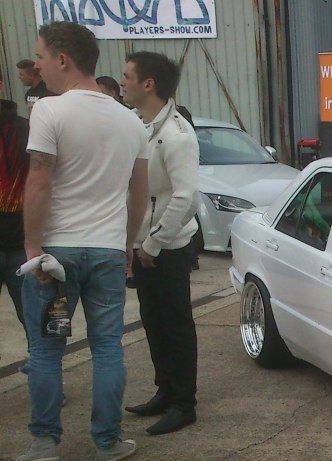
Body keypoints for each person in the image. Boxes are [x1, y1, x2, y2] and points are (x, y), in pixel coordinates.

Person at [16, 21, 149, 461]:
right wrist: (126, 245)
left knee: (47, 349)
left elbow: (39, 181)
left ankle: (44, 442)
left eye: (39, 57)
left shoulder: (50, 111)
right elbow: (138, 193)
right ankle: (108, 442)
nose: (36, 65)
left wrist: (33, 248)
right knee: (108, 346)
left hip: (57, 253)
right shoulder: (131, 121)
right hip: (108, 250)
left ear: (63, 59)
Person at [120, 51, 200, 435]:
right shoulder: (141, 126)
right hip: (143, 245)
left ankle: (185, 403)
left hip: (167, 248)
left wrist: (153, 244)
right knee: (153, 322)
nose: (121, 82)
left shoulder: (177, 135)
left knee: (176, 325)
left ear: (148, 84)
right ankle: (164, 391)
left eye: (127, 76)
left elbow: (187, 198)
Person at [1, 69, 30, 348]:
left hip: (20, 242)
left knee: (33, 319)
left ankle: (43, 380)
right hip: (20, 239)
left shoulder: (24, 129)